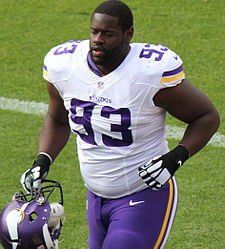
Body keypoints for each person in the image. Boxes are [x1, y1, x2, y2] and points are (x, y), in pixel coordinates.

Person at [20, 0, 220, 248]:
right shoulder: (64, 66)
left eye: (108, 34)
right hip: (94, 197)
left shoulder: (149, 72)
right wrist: (43, 159)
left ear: (129, 34)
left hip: (144, 194)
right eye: (94, 32)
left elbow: (206, 116)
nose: (98, 40)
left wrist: (175, 158)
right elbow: (57, 118)